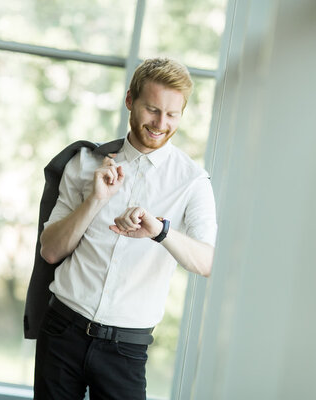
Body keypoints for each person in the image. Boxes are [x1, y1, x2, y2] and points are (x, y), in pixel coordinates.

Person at [33, 58, 217, 399]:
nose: (161, 123)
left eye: (172, 114)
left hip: (127, 348)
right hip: (62, 331)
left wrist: (160, 232)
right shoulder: (85, 163)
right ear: (130, 100)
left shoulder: (193, 182)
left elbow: (207, 263)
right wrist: (95, 200)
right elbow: (51, 250)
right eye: (152, 109)